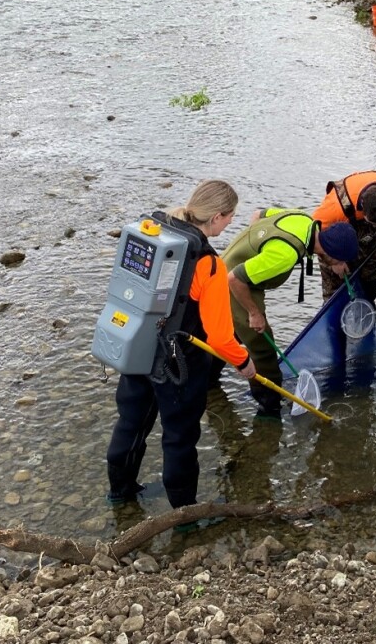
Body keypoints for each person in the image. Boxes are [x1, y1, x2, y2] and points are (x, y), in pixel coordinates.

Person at [105, 180, 257, 507]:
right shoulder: (209, 263)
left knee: (130, 423)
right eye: (230, 217)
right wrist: (244, 362)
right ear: (217, 216)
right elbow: (219, 336)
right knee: (178, 441)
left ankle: (119, 495)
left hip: (136, 346)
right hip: (179, 365)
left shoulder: (155, 230)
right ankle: (184, 518)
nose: (231, 223)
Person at [223, 209, 358, 417]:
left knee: (231, 331)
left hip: (239, 274)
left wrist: (257, 255)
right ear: (331, 254)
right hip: (231, 283)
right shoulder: (285, 255)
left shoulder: (305, 221)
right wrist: (253, 312)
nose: (343, 266)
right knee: (263, 348)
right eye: (341, 261)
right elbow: (234, 279)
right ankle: (269, 407)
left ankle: (209, 378)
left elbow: (259, 214)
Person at [311, 170, 376, 300]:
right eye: (373, 222)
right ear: (363, 207)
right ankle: (335, 309)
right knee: (335, 281)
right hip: (336, 235)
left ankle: (367, 304)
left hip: (366, 234)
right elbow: (312, 236)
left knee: (369, 273)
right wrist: (333, 262)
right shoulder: (334, 208)